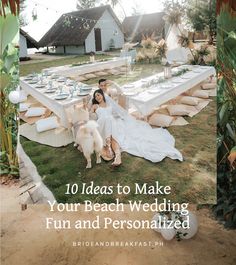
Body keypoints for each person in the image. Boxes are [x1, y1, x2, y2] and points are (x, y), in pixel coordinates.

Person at [90, 89, 183, 166]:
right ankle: (111, 150)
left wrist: (121, 118)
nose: (97, 97)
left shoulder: (109, 104)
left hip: (112, 123)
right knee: (108, 121)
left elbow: (117, 113)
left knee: (114, 134)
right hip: (102, 124)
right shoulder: (95, 106)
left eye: (99, 95)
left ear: (102, 95)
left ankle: (117, 156)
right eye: (96, 96)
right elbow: (90, 116)